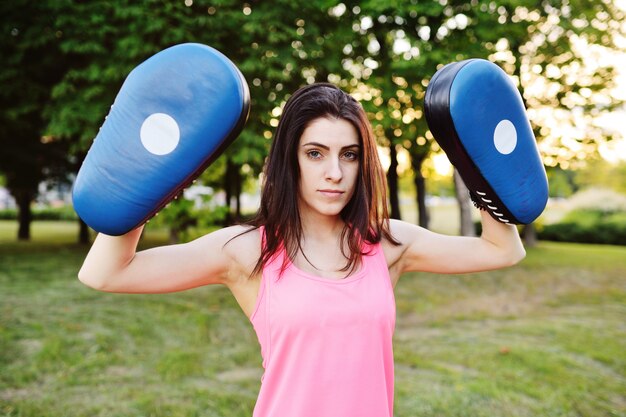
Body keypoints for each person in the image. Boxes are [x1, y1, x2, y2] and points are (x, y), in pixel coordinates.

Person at [78, 82, 526, 417]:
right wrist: (145, 186)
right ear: (289, 160)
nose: (335, 171)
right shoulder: (248, 250)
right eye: (315, 153)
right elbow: (105, 273)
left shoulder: (386, 243)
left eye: (349, 155)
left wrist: (477, 165)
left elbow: (502, 251)